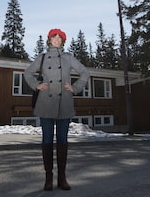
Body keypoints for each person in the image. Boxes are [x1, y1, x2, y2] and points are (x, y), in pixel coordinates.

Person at [24, 28, 90, 191]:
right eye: (54, 37)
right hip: (46, 103)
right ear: (49, 39)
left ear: (63, 41)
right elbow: (28, 73)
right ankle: (48, 178)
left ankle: (62, 178)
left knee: (62, 141)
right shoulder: (42, 57)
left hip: (64, 103)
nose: (57, 40)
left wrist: (75, 88)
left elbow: (84, 73)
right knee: (47, 141)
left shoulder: (68, 58)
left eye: (60, 38)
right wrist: (37, 85)